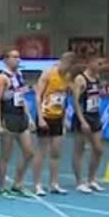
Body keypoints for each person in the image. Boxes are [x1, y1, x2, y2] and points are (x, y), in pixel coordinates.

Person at [0, 49, 37, 197]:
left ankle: (17, 183)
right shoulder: (2, 77)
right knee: (6, 154)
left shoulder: (19, 75)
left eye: (19, 57)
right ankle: (2, 186)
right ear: (6, 59)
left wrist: (29, 117)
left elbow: (22, 98)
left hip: (21, 116)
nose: (18, 59)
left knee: (29, 152)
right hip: (8, 116)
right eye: (14, 57)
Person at [31, 52, 75, 195]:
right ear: (62, 61)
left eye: (70, 66)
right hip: (45, 115)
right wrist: (40, 118)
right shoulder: (48, 73)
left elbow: (63, 98)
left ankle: (54, 183)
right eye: (67, 64)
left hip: (58, 117)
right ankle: (37, 184)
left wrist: (64, 118)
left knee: (56, 152)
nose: (68, 68)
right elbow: (38, 96)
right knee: (41, 151)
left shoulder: (67, 77)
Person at [67, 55, 106, 192]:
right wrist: (82, 121)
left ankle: (92, 179)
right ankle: (79, 182)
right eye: (99, 64)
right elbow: (75, 102)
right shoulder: (80, 79)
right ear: (90, 63)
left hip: (95, 115)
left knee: (98, 149)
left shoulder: (97, 78)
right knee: (80, 149)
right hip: (83, 116)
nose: (101, 67)